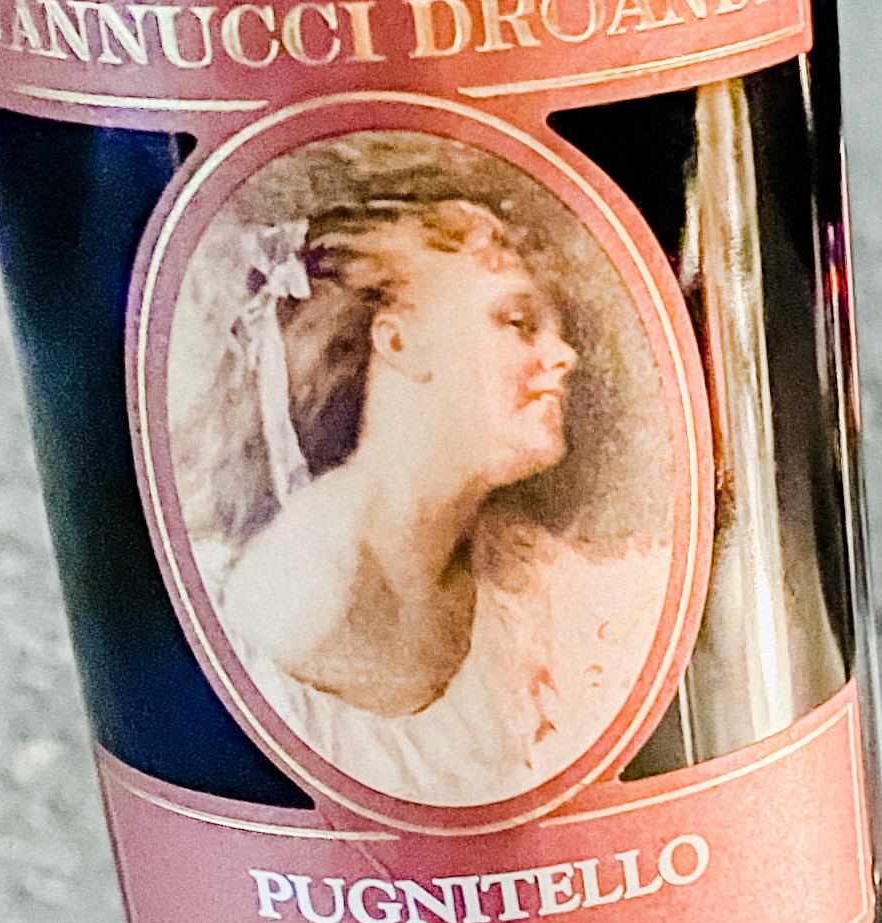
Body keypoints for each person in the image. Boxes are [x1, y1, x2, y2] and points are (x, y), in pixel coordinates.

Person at [200, 194, 671, 807]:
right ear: (399, 343)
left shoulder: (513, 561)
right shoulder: (303, 599)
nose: (564, 357)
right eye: (518, 322)